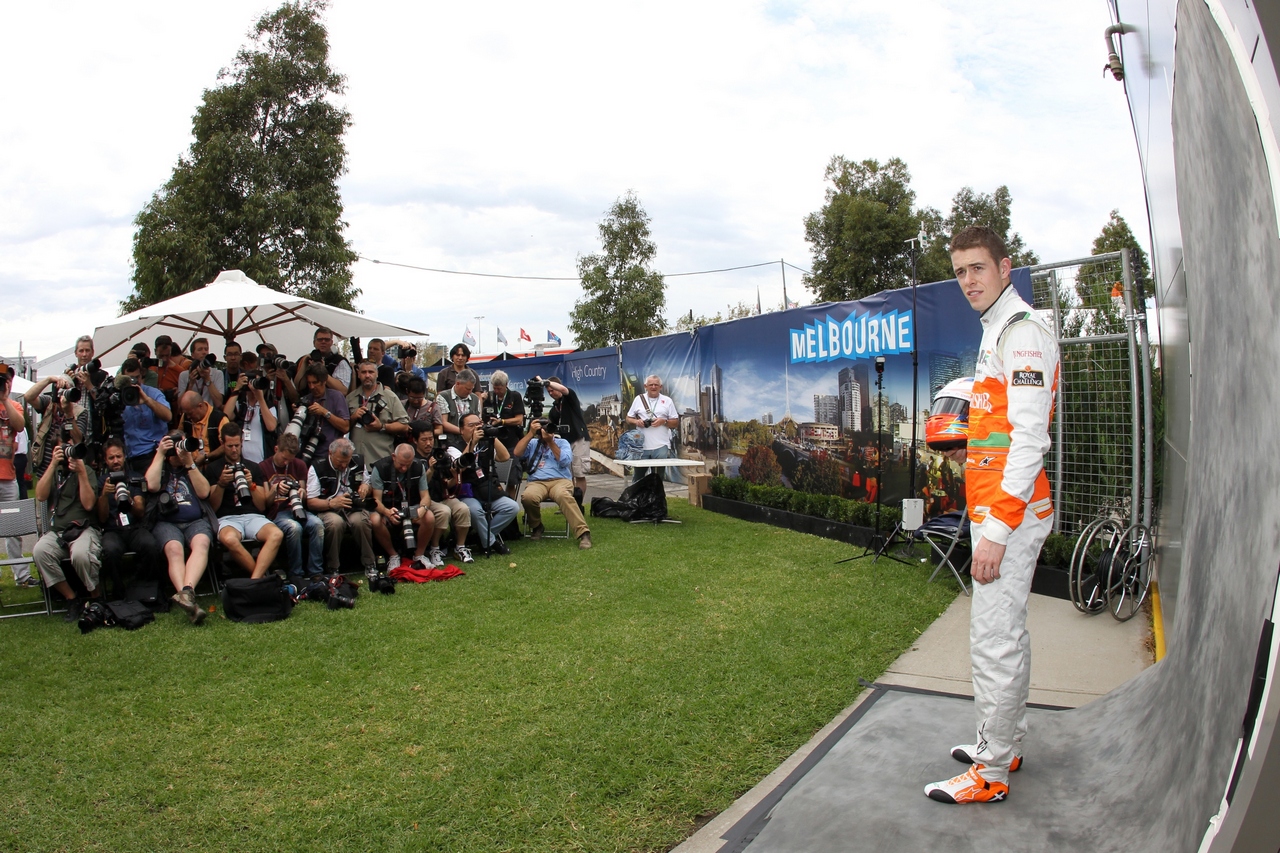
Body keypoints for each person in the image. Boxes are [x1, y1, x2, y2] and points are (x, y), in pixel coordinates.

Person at [924, 226, 1060, 806]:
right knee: (1006, 634)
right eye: (959, 272)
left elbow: (1031, 439)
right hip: (1002, 509)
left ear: (1005, 268)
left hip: (1011, 515)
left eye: (977, 268)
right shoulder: (997, 332)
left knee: (993, 639)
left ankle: (991, 771)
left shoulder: (1021, 332)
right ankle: (1007, 741)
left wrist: (998, 531)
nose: (968, 282)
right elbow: (1000, 431)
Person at [146, 431, 215, 624]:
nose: (179, 450)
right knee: (174, 549)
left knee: (202, 542)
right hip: (166, 522)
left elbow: (204, 492)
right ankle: (189, 598)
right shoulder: (161, 467)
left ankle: (186, 594)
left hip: (195, 521)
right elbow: (151, 485)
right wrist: (160, 454)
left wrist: (189, 463)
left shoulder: (191, 466)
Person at [32, 439, 102, 622]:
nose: (68, 453)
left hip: (83, 529)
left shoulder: (86, 471)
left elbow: (88, 504)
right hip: (59, 532)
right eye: (64, 448)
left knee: (80, 554)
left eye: (72, 448)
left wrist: (80, 472)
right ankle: (71, 598)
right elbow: (40, 495)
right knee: (40, 551)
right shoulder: (55, 472)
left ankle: (96, 597)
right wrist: (53, 464)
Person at [206, 423, 283, 579]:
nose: (234, 450)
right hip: (227, 518)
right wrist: (221, 484)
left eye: (237, 445)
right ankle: (262, 580)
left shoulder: (253, 467)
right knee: (229, 539)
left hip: (253, 515)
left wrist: (251, 485)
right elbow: (212, 508)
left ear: (242, 443)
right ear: (222, 444)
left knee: (276, 534)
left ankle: (255, 580)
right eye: (230, 446)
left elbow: (261, 506)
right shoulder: (213, 468)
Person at [513, 417, 592, 550]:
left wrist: (550, 442)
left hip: (560, 480)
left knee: (563, 495)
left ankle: (583, 533)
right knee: (528, 497)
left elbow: (565, 461)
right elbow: (517, 453)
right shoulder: (532, 443)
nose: (544, 431)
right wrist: (530, 433)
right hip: (537, 482)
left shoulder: (562, 442)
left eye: (547, 427)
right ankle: (537, 526)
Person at [96, 438, 163, 593]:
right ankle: (118, 590)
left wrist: (129, 500)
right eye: (111, 458)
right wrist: (104, 495)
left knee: (150, 545)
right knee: (110, 550)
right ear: (106, 460)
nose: (115, 461)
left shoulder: (135, 477)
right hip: (112, 529)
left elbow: (140, 511)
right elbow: (101, 518)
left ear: (124, 456)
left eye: (118, 456)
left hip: (134, 527)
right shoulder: (101, 481)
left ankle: (146, 588)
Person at [307, 438, 377, 580]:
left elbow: (369, 486)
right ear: (330, 454)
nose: (344, 465)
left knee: (361, 522)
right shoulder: (317, 467)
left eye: (347, 461)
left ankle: (370, 564)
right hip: (328, 508)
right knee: (335, 523)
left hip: (353, 507)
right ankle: (333, 567)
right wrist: (331, 503)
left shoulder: (358, 462)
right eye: (340, 462)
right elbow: (310, 502)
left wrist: (366, 487)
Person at [260, 432, 325, 581]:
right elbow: (265, 503)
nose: (286, 463)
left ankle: (316, 572)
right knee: (294, 528)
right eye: (284, 459)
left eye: (290, 460)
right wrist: (275, 489)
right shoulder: (263, 467)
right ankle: (296, 574)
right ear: (276, 449)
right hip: (277, 512)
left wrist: (301, 492)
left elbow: (303, 495)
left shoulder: (299, 465)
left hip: (297, 509)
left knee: (317, 525)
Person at [450, 413, 514, 556]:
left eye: (477, 424)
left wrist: (491, 435)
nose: (475, 428)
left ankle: (482, 538)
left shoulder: (486, 443)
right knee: (475, 511)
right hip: (467, 492)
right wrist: (471, 444)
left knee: (512, 507)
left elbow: (505, 457)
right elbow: (459, 468)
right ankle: (491, 542)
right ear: (461, 430)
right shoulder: (453, 447)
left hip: (486, 489)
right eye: (471, 426)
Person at [410, 422, 471, 567]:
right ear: (415, 440)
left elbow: (447, 484)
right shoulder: (413, 460)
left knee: (462, 508)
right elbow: (418, 486)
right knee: (443, 512)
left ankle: (460, 547)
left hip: (442, 496)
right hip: (423, 500)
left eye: (431, 439)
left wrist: (455, 476)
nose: (428, 443)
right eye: (424, 440)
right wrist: (430, 470)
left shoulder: (439, 455)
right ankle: (435, 549)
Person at [369, 443, 437, 569]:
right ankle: (393, 555)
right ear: (393, 456)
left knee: (429, 517)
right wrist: (386, 512)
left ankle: (419, 555)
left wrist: (423, 508)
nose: (404, 468)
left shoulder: (418, 466)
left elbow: (426, 496)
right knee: (374, 520)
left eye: (408, 464)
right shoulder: (380, 468)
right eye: (401, 464)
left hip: (411, 506)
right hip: (388, 507)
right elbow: (376, 500)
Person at [0, 368, 35, 586]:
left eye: (7, 382)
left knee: (13, 528)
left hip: (8, 476)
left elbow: (20, 425)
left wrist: (4, 399)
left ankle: (21, 575)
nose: (6, 384)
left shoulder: (14, 406)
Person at [25, 370, 88, 479]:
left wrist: (69, 414)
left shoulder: (80, 411)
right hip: (45, 466)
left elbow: (78, 440)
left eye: (65, 391)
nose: (62, 395)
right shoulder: (49, 404)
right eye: (59, 391)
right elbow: (28, 397)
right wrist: (49, 380)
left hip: (68, 467)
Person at [116, 358, 174, 476]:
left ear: (141, 375)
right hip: (131, 456)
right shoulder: (119, 396)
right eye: (130, 378)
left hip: (153, 453)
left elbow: (168, 416)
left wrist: (147, 401)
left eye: (136, 377)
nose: (134, 382)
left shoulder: (153, 393)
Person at [346, 359, 410, 463]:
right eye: (363, 372)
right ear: (358, 374)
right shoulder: (350, 398)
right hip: (355, 461)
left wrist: (381, 426)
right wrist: (353, 417)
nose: (367, 375)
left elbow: (404, 426)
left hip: (381, 461)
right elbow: (343, 427)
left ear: (377, 374)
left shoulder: (390, 397)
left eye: (371, 372)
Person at [223, 351, 279, 465]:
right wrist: (237, 388)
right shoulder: (242, 403)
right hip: (241, 461)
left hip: (262, 461)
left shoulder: (268, 405)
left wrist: (260, 398)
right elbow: (226, 415)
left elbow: (271, 426)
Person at [543, 376, 590, 498]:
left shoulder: (569, 398)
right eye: (548, 392)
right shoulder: (554, 408)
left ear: (557, 386)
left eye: (552, 389)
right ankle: (568, 501)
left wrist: (547, 382)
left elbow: (564, 390)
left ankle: (578, 503)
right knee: (567, 474)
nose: (551, 393)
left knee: (579, 472)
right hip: (564, 442)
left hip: (578, 438)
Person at [625, 374, 679, 482]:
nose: (653, 387)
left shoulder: (667, 401)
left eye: (656, 385)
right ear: (645, 386)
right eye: (651, 385)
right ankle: (635, 499)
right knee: (638, 478)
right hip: (642, 446)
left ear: (661, 387)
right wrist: (637, 421)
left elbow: (675, 423)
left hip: (661, 446)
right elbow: (628, 418)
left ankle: (656, 498)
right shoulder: (638, 399)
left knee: (658, 479)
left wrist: (664, 421)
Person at [298, 363, 350, 463]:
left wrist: (324, 412)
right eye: (309, 383)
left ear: (324, 381)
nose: (312, 387)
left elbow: (345, 427)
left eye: (315, 382)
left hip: (329, 455)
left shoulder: (336, 397)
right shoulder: (307, 399)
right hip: (308, 454)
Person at [483, 370, 525, 494]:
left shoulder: (514, 396)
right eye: (495, 388)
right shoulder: (489, 397)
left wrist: (501, 422)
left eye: (499, 389)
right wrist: (481, 399)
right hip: (492, 443)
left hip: (511, 443)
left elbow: (519, 419)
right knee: (491, 477)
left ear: (506, 384)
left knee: (512, 480)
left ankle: (511, 509)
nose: (497, 391)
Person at [295, 326, 353, 394]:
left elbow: (343, 390)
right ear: (314, 342)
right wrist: (304, 364)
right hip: (308, 401)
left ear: (331, 342)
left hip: (330, 402)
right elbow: (298, 387)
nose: (323, 342)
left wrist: (322, 371)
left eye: (327, 340)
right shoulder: (306, 359)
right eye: (320, 339)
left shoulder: (339, 361)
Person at [176, 390, 226, 469]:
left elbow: (226, 446)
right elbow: (178, 435)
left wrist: (206, 457)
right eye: (186, 414)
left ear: (200, 406)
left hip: (213, 468)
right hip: (190, 466)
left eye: (190, 413)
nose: (188, 417)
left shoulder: (219, 419)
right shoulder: (185, 417)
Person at [436, 368, 481, 451]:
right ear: (457, 383)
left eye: (472, 389)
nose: (470, 392)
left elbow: (479, 421)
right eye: (467, 389)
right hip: (451, 444)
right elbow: (443, 423)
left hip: (471, 442)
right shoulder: (443, 396)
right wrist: (463, 431)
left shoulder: (475, 398)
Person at [176, 337, 226, 409]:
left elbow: (218, 403)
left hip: (210, 414)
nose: (204, 352)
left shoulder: (217, 373)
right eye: (200, 349)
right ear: (192, 355)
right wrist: (190, 384)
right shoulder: (184, 375)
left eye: (206, 349)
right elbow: (180, 405)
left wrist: (208, 379)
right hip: (191, 414)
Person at [154, 335, 191, 408]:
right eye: (161, 356)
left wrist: (180, 392)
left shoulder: (179, 371)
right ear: (155, 351)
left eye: (167, 355)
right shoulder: (148, 368)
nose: (164, 359)